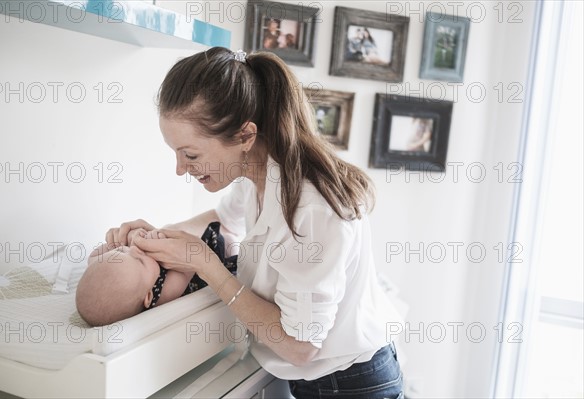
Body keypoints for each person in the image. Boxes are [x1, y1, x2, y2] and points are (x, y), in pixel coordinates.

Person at [106, 47, 404, 398]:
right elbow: (220, 219)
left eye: (190, 154)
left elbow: (300, 345)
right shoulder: (257, 174)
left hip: (351, 384)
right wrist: (151, 236)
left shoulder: (312, 210)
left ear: (246, 136)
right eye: (176, 153)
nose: (180, 169)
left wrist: (207, 266)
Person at [76, 222, 236, 326]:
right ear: (148, 297)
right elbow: (189, 267)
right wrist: (162, 239)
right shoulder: (163, 293)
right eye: (140, 261)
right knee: (221, 244)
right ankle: (230, 248)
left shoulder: (133, 273)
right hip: (195, 266)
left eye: (122, 252)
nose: (135, 249)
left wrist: (119, 241)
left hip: (180, 257)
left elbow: (93, 258)